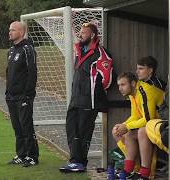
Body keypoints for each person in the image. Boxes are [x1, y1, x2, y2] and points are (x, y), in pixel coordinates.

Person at [59, 22, 113, 172]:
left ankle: (79, 162)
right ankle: (75, 161)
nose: (81, 34)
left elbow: (107, 79)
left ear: (93, 35)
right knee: (71, 128)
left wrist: (93, 90)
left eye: (84, 32)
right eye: (80, 32)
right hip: (75, 98)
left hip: (90, 99)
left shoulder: (101, 53)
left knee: (83, 131)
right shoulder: (80, 50)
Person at [112, 59, 166, 179]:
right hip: (153, 125)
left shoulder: (144, 90)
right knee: (122, 132)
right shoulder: (133, 94)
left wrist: (127, 126)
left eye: (123, 84)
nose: (120, 88)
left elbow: (148, 119)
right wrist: (124, 125)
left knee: (141, 131)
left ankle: (145, 174)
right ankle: (130, 169)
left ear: (132, 84)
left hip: (166, 124)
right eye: (119, 85)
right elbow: (135, 116)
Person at [5, 21, 39, 167]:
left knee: (26, 127)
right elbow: (9, 73)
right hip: (11, 96)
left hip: (23, 97)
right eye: (9, 30)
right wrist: (7, 92)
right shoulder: (11, 50)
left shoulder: (28, 49)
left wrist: (28, 94)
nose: (10, 32)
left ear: (21, 32)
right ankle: (21, 154)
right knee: (17, 128)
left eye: (12, 30)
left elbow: (32, 73)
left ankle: (32, 156)